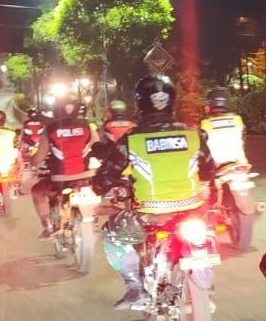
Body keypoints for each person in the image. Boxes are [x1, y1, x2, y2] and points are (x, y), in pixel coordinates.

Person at [91, 73, 215, 309]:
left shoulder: (133, 138)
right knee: (208, 226)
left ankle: (135, 289)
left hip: (150, 213)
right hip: (191, 209)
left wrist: (104, 186)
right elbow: (209, 170)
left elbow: (105, 177)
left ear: (140, 103)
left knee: (111, 232)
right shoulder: (193, 133)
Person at [30, 99, 96, 238]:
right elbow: (98, 147)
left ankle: (48, 226)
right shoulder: (88, 126)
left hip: (59, 180)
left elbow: (39, 158)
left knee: (36, 191)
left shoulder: (50, 129)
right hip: (86, 177)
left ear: (55, 112)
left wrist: (32, 162)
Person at [198, 86, 249, 168]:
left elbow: (202, 149)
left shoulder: (204, 124)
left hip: (217, 167)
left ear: (209, 103)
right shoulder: (238, 120)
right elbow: (242, 141)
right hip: (240, 164)